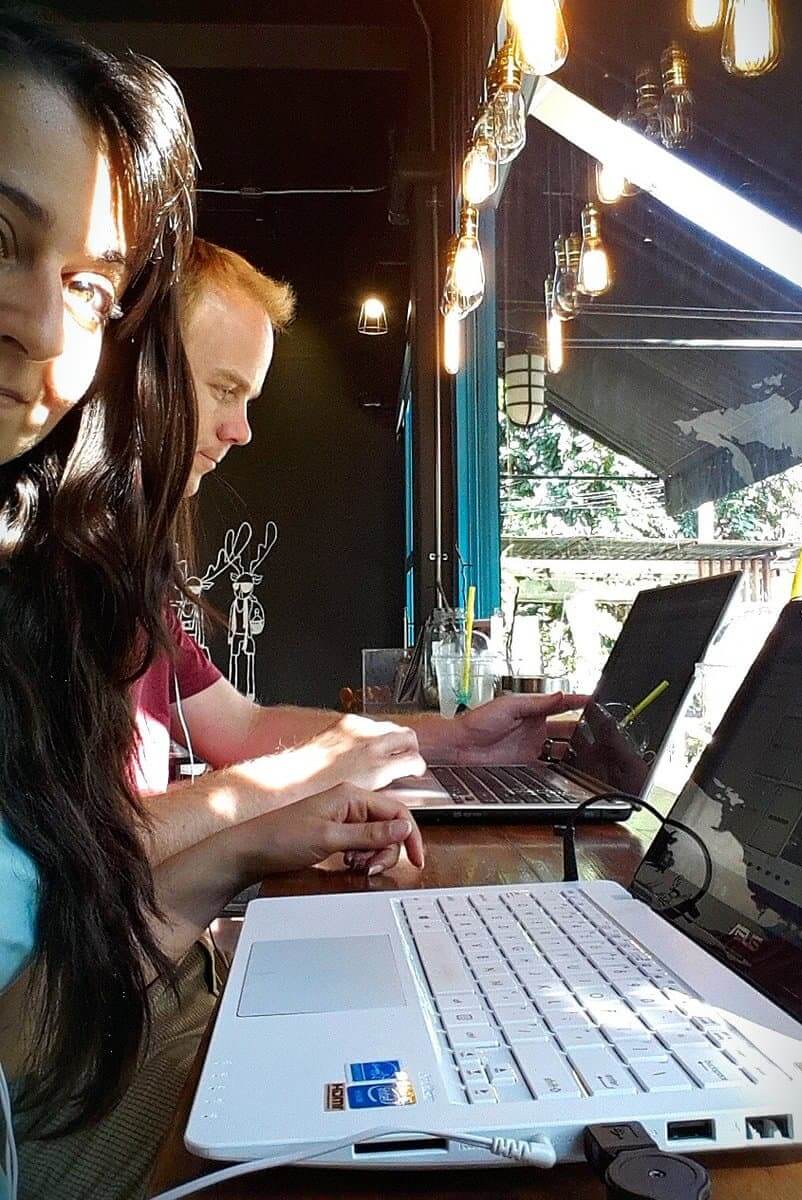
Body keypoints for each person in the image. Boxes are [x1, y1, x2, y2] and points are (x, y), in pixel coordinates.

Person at [0, 16, 422, 1200]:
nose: (43, 328)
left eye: (85, 285)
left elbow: (81, 879)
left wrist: (272, 833)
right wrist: (248, 841)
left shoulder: (62, 573)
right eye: (221, 390)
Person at [123, 237, 586, 872]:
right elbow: (77, 851)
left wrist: (461, 741)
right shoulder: (49, 569)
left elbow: (238, 728)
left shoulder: (129, 573)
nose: (241, 430)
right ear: (137, 368)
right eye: (223, 389)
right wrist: (301, 780)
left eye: (247, 400)